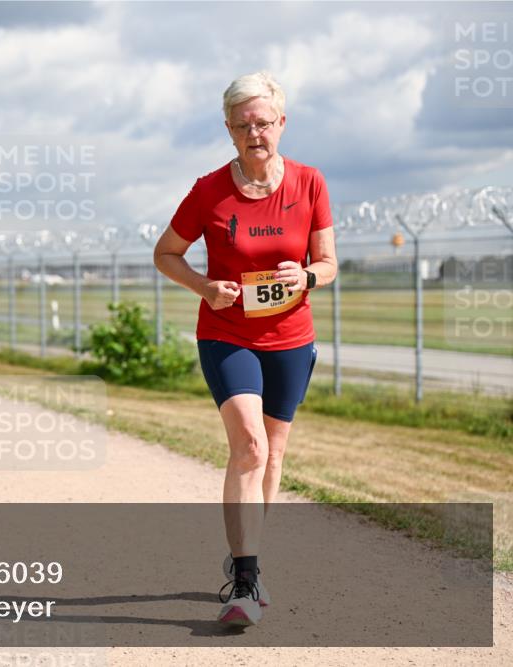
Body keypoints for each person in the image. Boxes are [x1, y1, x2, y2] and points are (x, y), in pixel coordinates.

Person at [153, 71, 338, 627]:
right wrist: (206, 287)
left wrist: (304, 276)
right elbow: (166, 254)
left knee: (274, 456)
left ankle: (247, 554)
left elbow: (328, 264)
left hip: (290, 338)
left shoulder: (309, 183)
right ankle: (245, 581)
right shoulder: (208, 191)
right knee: (250, 449)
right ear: (229, 130)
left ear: (281, 123)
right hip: (227, 334)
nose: (254, 132)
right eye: (242, 124)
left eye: (263, 122)